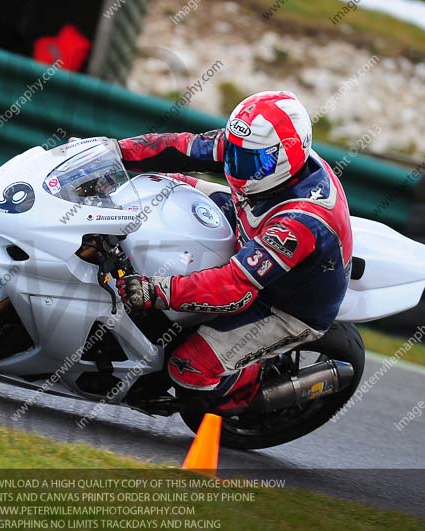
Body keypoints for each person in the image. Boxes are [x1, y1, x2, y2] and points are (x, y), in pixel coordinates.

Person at [114, 91, 353, 412]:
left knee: (189, 367)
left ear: (286, 158)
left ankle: (250, 392)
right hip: (251, 219)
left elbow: (233, 290)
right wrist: (112, 152)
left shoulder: (300, 222)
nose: (238, 166)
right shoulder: (249, 147)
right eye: (235, 153)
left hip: (284, 303)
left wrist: (154, 290)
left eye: (253, 161)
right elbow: (178, 147)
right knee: (166, 184)